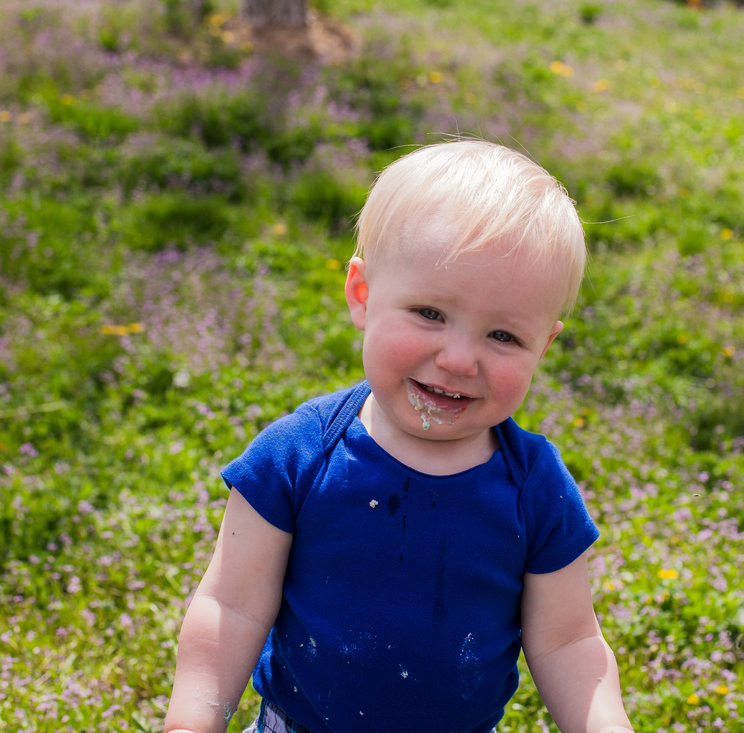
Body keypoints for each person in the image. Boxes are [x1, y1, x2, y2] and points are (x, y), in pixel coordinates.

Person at [164, 140, 633, 733]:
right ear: (362, 294)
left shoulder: (534, 489)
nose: (460, 359)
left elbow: (569, 645)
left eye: (504, 337)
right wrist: (193, 719)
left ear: (544, 344)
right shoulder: (298, 457)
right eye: (431, 314)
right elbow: (230, 604)